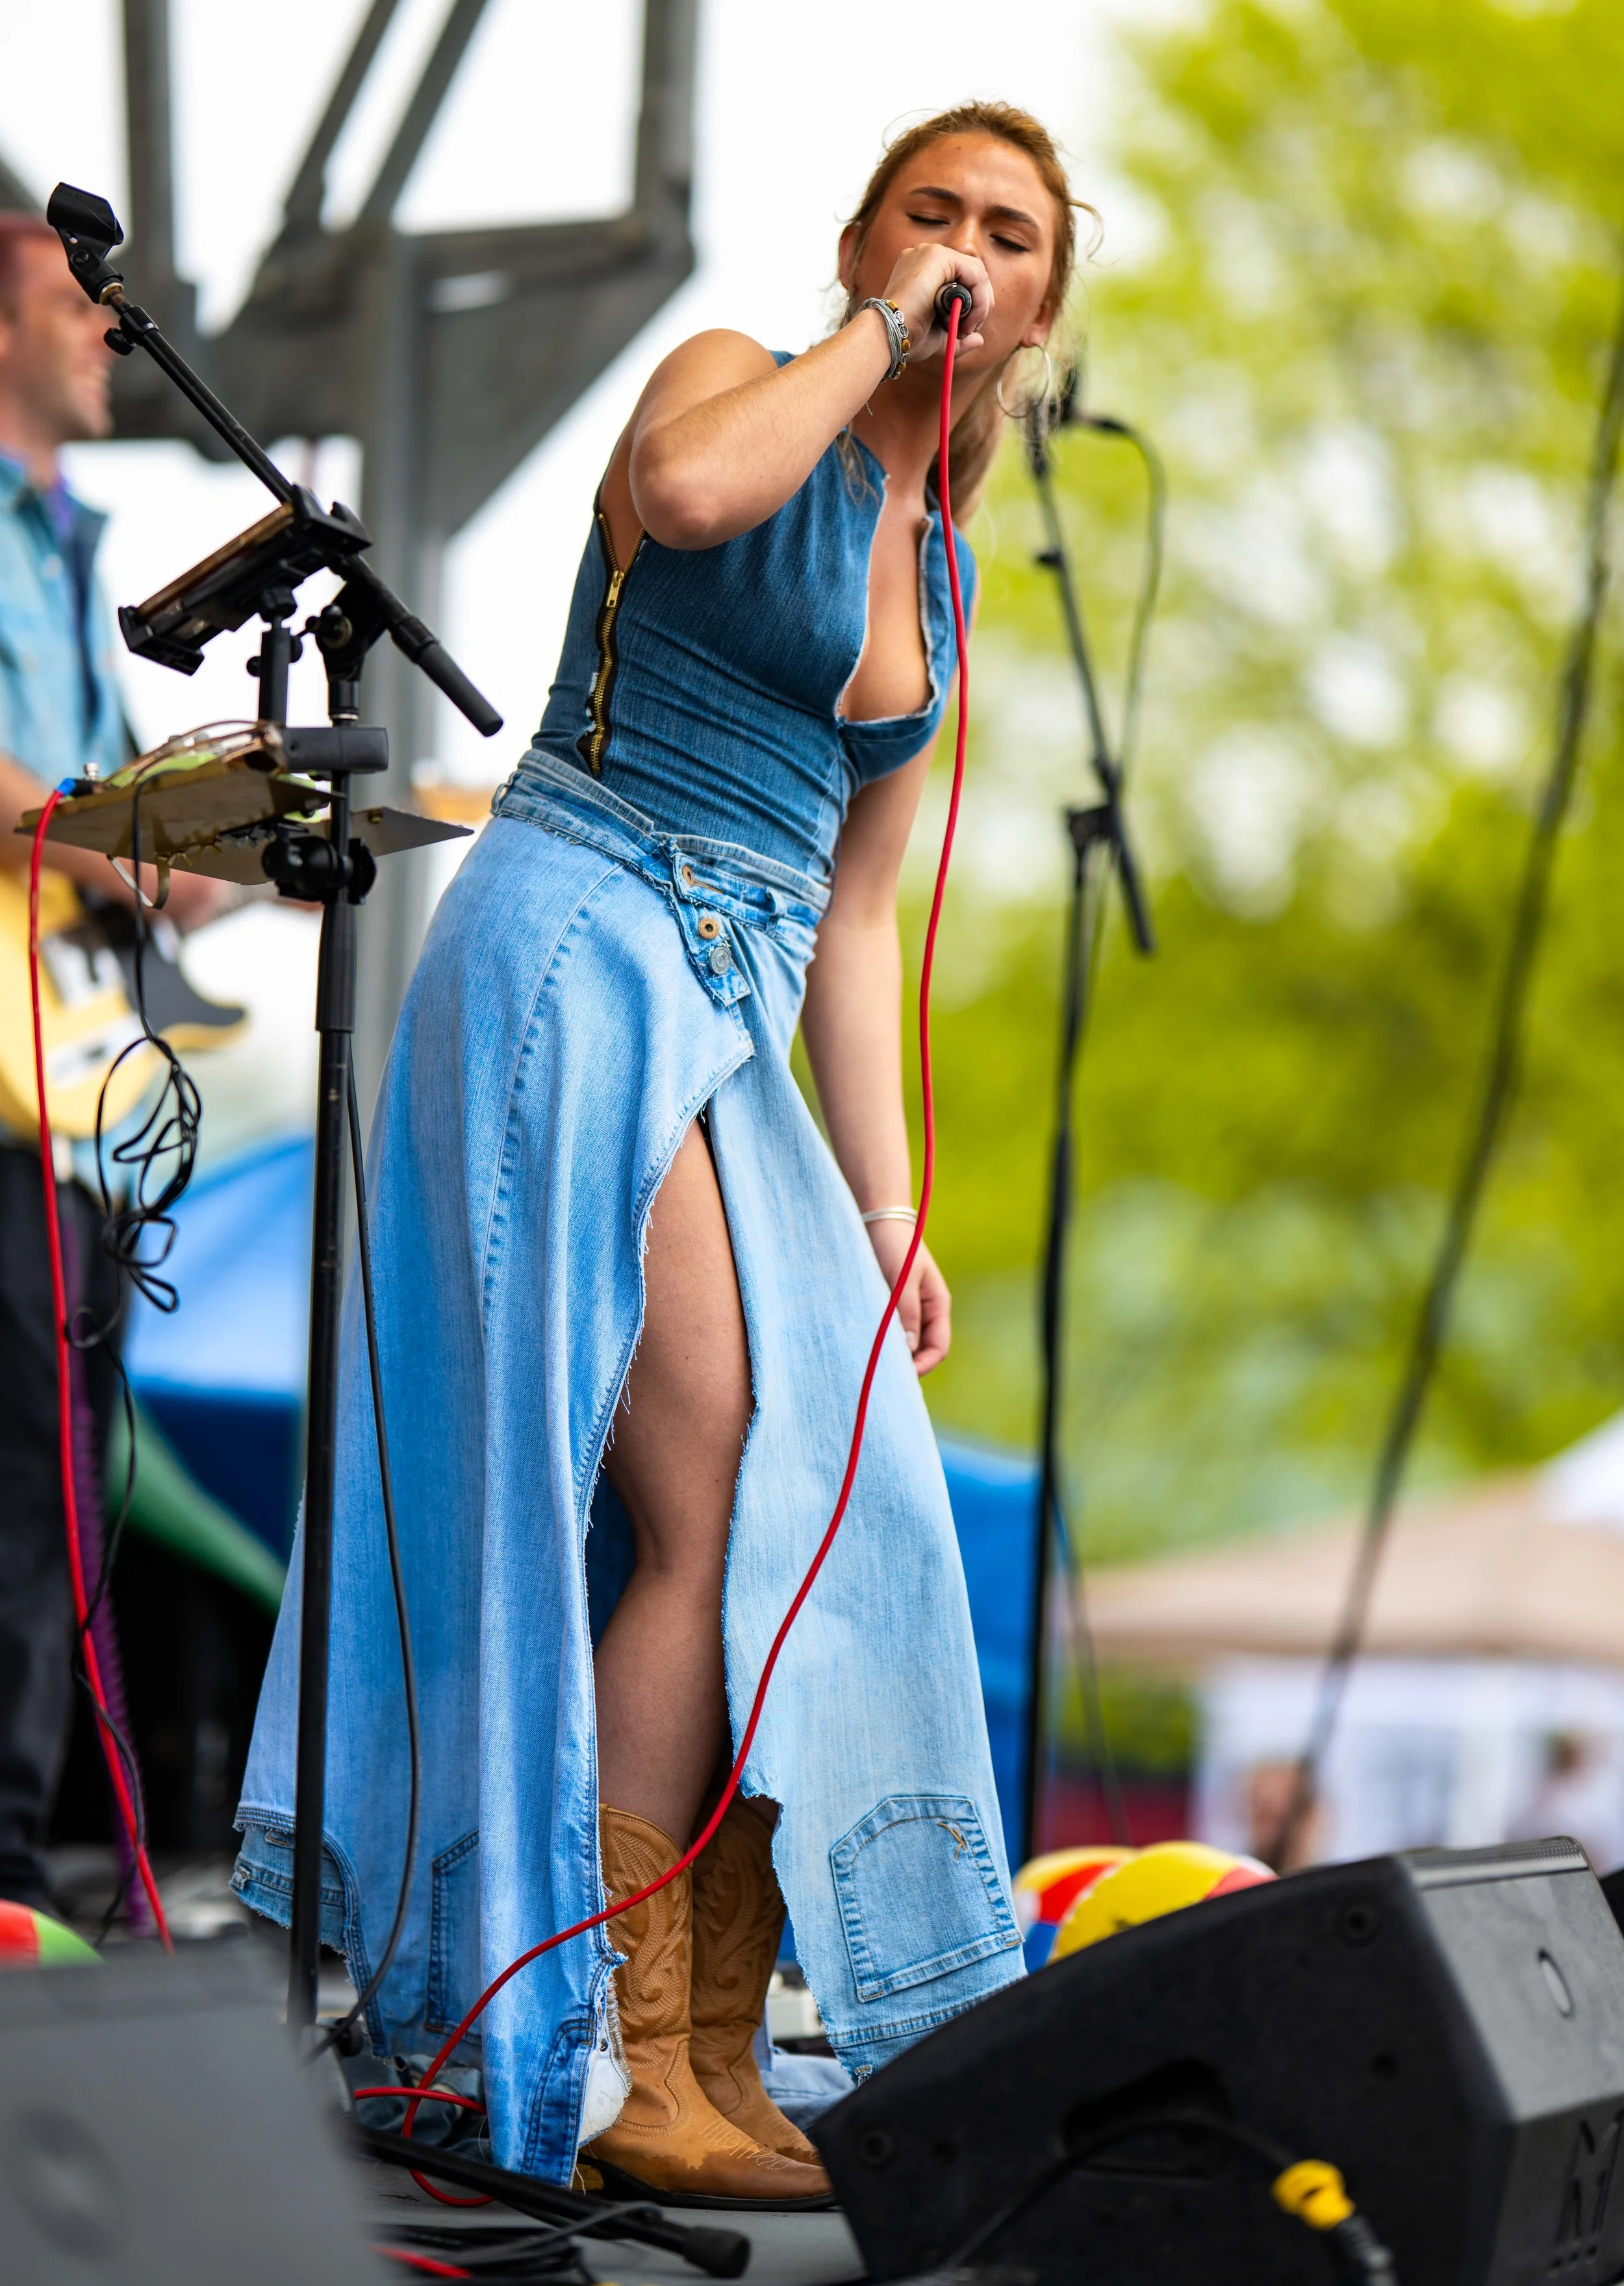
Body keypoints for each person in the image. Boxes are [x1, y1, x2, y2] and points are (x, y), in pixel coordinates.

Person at [235, 102, 1084, 2195]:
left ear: (1047, 304)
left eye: (1008, 235)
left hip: (736, 1003)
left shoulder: (949, 578)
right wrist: (876, 334)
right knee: (699, 1460)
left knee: (841, 1479)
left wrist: (889, 1218)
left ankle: (704, 2047)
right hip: (582, 929)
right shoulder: (730, 375)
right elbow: (695, 491)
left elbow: (861, 911)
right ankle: (593, 2036)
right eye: (933, 213)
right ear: (864, 235)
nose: (966, 248)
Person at [0, 210, 220, 1913]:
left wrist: (195, 850)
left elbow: (84, 805)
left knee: (71, 1471)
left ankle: (47, 1854)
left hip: (69, 1075)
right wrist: (110, 830)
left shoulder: (76, 544)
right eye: (77, 302)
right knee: (23, 1475)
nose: (109, 332)